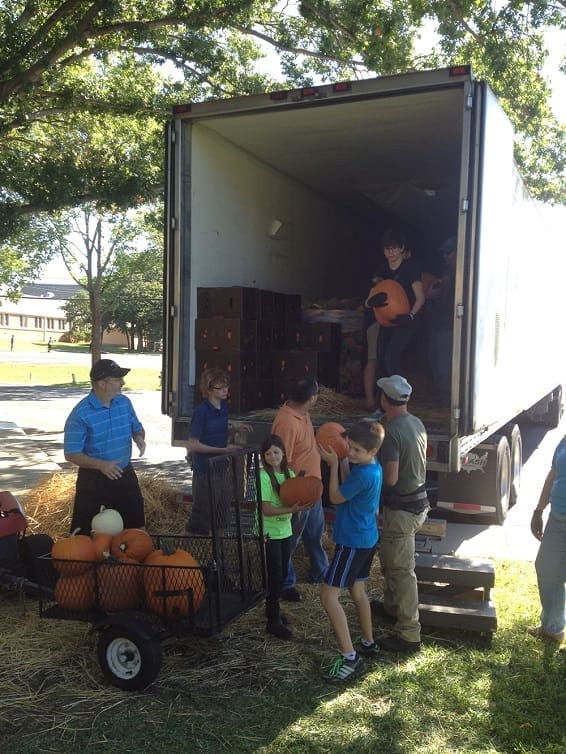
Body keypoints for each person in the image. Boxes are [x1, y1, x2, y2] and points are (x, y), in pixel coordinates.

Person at [318, 420, 384, 683]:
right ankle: (368, 642)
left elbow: (335, 497)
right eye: (350, 448)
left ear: (373, 451)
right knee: (358, 591)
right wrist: (345, 462)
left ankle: (349, 657)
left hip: (352, 542)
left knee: (327, 596)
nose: (351, 454)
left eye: (357, 451)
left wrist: (333, 465)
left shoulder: (364, 474)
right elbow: (350, 488)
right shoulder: (371, 468)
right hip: (367, 539)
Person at [372, 374, 429, 654]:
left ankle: (409, 634)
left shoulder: (392, 431)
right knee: (392, 561)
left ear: (385, 399)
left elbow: (391, 478)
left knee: (402, 571)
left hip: (401, 510)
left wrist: (368, 477)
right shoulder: (414, 422)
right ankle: (391, 608)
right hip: (419, 504)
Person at [64, 358, 146, 535]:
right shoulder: (80, 414)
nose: (122, 383)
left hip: (124, 474)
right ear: (101, 383)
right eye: (117, 379)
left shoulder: (124, 402)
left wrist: (139, 438)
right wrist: (101, 465)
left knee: (135, 530)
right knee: (86, 535)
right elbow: (71, 454)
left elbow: (138, 428)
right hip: (94, 481)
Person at [272, 376, 329, 601]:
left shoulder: (302, 413)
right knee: (291, 538)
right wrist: (287, 493)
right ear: (311, 398)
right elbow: (279, 460)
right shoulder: (286, 422)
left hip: (313, 488)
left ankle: (321, 572)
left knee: (314, 535)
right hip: (299, 491)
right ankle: (286, 584)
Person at [184, 368, 252, 535]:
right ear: (208, 390)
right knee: (202, 515)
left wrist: (236, 427)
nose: (225, 391)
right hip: (205, 471)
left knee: (222, 513)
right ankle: (191, 551)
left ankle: (219, 552)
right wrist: (222, 450)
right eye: (220, 388)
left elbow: (220, 427)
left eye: (226, 387)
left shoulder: (223, 407)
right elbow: (193, 444)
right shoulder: (201, 412)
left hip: (221, 469)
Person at [259, 434, 312, 639]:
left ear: (283, 453)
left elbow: (296, 500)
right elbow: (266, 509)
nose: (273, 456)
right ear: (263, 456)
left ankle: (275, 613)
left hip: (285, 532)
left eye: (276, 451)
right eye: (268, 453)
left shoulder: (290, 474)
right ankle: (272, 622)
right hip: (269, 532)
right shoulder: (264, 477)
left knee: (281, 575)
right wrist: (291, 508)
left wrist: (304, 501)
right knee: (274, 575)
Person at [367, 228, 425, 379]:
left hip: (406, 320)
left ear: (402, 248)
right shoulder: (382, 270)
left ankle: (400, 398)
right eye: (387, 249)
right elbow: (369, 298)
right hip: (386, 321)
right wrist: (372, 301)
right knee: (380, 359)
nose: (390, 253)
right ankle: (382, 400)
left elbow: (420, 297)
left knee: (390, 358)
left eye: (394, 249)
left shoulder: (410, 268)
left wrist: (411, 315)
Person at [528, 436, 566, 643]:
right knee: (547, 569)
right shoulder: (564, 440)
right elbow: (553, 474)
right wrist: (538, 510)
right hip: (557, 517)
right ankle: (553, 628)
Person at [426, 236, 456, 408]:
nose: (445, 255)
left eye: (449, 252)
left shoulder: (461, 273)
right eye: (444, 252)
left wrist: (432, 295)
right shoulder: (447, 273)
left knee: (444, 365)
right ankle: (441, 398)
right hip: (439, 324)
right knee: (434, 361)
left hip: (448, 326)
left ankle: (446, 403)